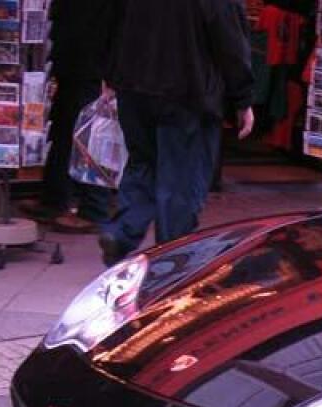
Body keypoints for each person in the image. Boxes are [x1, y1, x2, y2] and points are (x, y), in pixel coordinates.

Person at [98, 0, 256, 266]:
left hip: (135, 86)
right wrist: (242, 98)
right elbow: (230, 43)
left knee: (142, 164)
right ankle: (171, 257)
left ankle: (122, 231)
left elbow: (111, 23)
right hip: (187, 91)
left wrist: (110, 73)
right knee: (181, 180)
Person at [32, 0, 116, 233]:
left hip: (90, 62)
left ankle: (94, 209)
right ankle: (55, 197)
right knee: (63, 128)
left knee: (90, 135)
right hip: (75, 59)